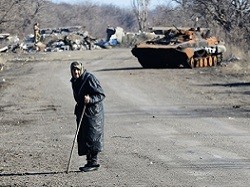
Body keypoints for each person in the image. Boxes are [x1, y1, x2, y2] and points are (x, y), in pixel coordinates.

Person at [70, 61, 105, 172]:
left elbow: (100, 94)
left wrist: (90, 99)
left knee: (92, 137)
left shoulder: (89, 78)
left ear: (81, 69)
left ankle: (93, 162)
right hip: (83, 112)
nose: (76, 72)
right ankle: (89, 162)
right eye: (73, 70)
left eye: (77, 70)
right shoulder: (75, 80)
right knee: (85, 136)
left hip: (93, 113)